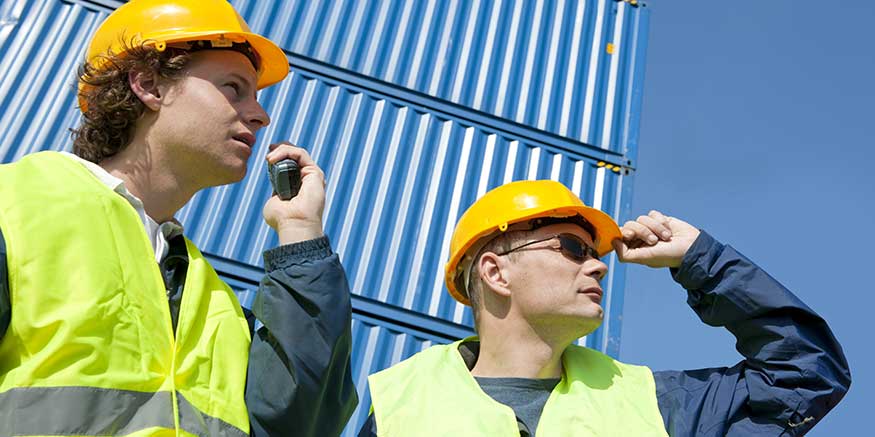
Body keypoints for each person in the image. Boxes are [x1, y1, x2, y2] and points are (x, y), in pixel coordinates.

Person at [0, 0, 356, 435]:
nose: (261, 115)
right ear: (149, 84)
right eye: (233, 87)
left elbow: (303, 425)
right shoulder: (14, 203)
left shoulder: (213, 302)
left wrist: (300, 232)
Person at [358, 179, 850, 436]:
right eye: (573, 248)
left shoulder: (657, 407)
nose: (598, 268)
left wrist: (702, 259)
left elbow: (806, 373)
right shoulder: (402, 407)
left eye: (595, 255)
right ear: (495, 272)